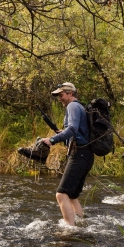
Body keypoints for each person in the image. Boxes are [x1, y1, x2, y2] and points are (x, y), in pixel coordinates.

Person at [42, 82, 94, 226]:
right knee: (72, 196)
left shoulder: (72, 106)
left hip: (79, 155)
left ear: (70, 93)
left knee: (61, 194)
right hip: (86, 155)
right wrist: (62, 135)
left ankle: (70, 230)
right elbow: (77, 131)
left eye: (61, 95)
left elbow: (72, 129)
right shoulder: (80, 107)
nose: (60, 98)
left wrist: (52, 140)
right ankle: (80, 225)